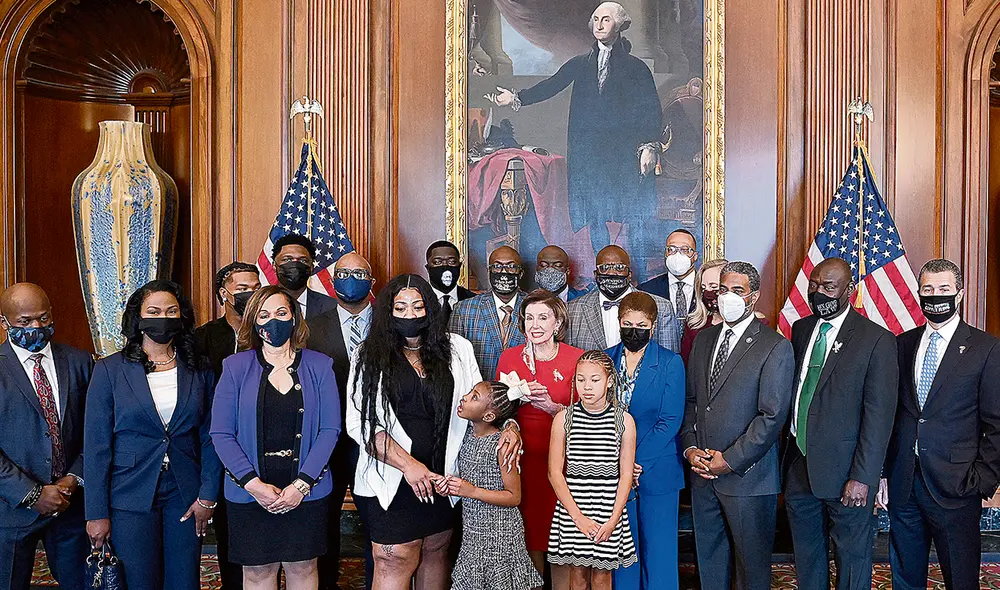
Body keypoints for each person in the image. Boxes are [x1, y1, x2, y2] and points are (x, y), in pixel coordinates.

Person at [346, 274, 522, 590]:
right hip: (391, 477)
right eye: (400, 307)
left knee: (435, 551)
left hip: (443, 477)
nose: (410, 315)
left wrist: (510, 425)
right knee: (395, 557)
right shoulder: (367, 354)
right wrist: (410, 467)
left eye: (418, 306)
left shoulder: (458, 348)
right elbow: (362, 423)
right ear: (388, 312)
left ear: (430, 308)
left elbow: (482, 402)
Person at [486, 2, 662, 257]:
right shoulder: (581, 63)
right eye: (596, 19)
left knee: (632, 214)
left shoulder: (637, 68)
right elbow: (552, 85)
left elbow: (651, 109)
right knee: (594, 215)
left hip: (624, 154)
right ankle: (602, 268)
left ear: (620, 25)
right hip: (589, 155)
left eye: (606, 20)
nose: (599, 25)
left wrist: (649, 146)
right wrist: (515, 98)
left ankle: (637, 274)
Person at [84, 280, 221, 590]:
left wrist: (208, 495)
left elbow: (211, 436)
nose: (163, 317)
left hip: (185, 492)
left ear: (182, 317)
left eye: (171, 311)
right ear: (138, 317)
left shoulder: (200, 369)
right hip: (129, 492)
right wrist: (96, 513)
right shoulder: (110, 370)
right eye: (154, 311)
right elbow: (96, 447)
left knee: (183, 581)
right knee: (138, 581)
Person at [210, 285, 341, 589]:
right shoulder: (234, 367)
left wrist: (301, 485)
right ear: (254, 322)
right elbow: (221, 433)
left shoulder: (321, 366)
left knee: (304, 568)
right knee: (257, 573)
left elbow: (329, 430)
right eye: (264, 315)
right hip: (250, 493)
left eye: (282, 313)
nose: (273, 322)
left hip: (307, 492)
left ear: (295, 317)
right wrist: (254, 486)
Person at [783, 257, 898, 590]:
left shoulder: (876, 339)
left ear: (850, 290)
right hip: (799, 465)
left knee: (852, 561)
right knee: (807, 556)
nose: (819, 292)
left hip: (848, 474)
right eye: (814, 285)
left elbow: (879, 416)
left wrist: (864, 477)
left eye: (828, 286)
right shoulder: (802, 329)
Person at [679, 261, 794, 590]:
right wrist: (690, 449)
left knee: (751, 572)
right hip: (702, 476)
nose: (727, 296)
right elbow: (692, 402)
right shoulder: (703, 340)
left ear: (753, 296)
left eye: (737, 291)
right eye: (723, 289)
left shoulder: (774, 346)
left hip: (748, 479)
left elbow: (771, 417)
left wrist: (728, 460)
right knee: (710, 566)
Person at [885, 258, 1000, 590]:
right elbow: (894, 413)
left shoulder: (986, 348)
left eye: (944, 289)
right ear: (919, 293)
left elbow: (996, 422)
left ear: (959, 294)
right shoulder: (902, 344)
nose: (935, 296)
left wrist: (982, 480)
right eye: (928, 289)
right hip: (904, 480)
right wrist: (882, 472)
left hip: (957, 484)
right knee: (905, 575)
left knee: (960, 577)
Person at [0, 283, 92, 590]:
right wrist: (33, 494)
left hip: (71, 505)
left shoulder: (80, 362)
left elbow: (96, 432)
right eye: (24, 322)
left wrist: (72, 480)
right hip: (11, 510)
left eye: (42, 318)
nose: (36, 327)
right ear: (5, 323)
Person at [495, 289, 584, 584]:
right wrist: (510, 422)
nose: (535, 325)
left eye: (543, 317)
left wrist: (554, 408)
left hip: (564, 463)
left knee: (561, 543)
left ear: (557, 322)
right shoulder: (510, 358)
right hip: (523, 463)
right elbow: (498, 410)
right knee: (529, 538)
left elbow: (589, 416)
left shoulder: (576, 359)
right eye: (529, 317)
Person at [608, 292, 685, 590]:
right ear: (618, 322)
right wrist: (618, 462)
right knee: (623, 555)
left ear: (652, 327)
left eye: (641, 324)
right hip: (611, 471)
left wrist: (634, 462)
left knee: (659, 553)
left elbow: (670, 421)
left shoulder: (670, 363)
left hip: (656, 471)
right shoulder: (604, 359)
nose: (633, 329)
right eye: (627, 323)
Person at [308, 251, 376, 590]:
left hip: (379, 441)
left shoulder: (389, 323)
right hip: (327, 442)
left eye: (359, 273)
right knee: (325, 520)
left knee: (377, 523)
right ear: (332, 281)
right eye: (344, 272)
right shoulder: (310, 326)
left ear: (372, 282)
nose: (351, 279)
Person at [434, 381, 543, 590]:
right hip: (474, 534)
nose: (465, 397)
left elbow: (514, 496)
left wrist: (472, 491)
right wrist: (451, 487)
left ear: (489, 416)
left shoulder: (502, 446)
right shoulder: (465, 435)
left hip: (500, 535)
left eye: (474, 397)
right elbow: (468, 477)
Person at [195, 261, 261, 589]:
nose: (250, 295)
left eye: (255, 288)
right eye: (242, 289)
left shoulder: (269, 334)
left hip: (262, 443)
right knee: (228, 532)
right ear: (224, 294)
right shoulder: (202, 339)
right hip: (216, 446)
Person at [547, 350, 637, 589]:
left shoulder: (624, 420)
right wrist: (578, 518)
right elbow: (554, 472)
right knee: (577, 575)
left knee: (602, 575)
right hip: (573, 510)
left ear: (609, 382)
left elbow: (626, 474)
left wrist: (613, 519)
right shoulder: (564, 419)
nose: (586, 386)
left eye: (594, 380)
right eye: (580, 379)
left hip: (608, 509)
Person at [565, 245, 679, 353]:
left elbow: (669, 361)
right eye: (604, 268)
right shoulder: (573, 310)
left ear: (629, 274)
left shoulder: (661, 307)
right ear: (595, 274)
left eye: (619, 267)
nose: (611, 273)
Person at [449, 246, 527, 380]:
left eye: (511, 266)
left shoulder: (534, 307)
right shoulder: (464, 310)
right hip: (479, 394)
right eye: (497, 266)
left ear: (520, 273)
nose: (504, 271)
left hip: (525, 395)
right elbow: (454, 361)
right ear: (489, 271)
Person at [638, 229, 700, 323]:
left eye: (685, 250)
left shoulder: (707, 289)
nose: (677, 255)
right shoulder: (646, 291)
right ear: (665, 254)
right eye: (672, 249)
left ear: (695, 256)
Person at [272, 233, 339, 319]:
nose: (295, 264)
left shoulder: (331, 306)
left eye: (303, 261)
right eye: (287, 259)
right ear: (274, 265)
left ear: (311, 267)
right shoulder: (260, 303)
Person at [680, 258, 727, 363]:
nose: (708, 292)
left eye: (713, 286)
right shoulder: (695, 325)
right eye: (703, 288)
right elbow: (686, 364)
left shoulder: (754, 323)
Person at [425, 240, 476, 320]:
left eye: (451, 262)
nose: (445, 266)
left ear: (459, 266)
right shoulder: (418, 300)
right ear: (428, 268)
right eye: (438, 262)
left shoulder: (473, 301)